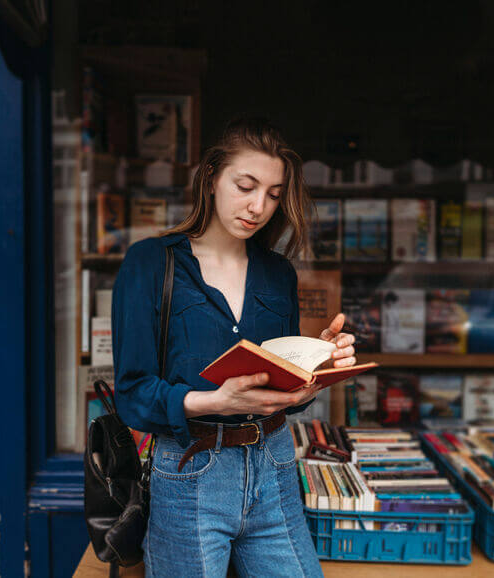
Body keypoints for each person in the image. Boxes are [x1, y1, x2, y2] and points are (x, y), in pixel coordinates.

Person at [111, 117, 356, 577]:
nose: (258, 206)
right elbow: (133, 393)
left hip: (275, 463)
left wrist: (315, 367)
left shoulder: (277, 273)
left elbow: (280, 390)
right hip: (190, 470)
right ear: (211, 178)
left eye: (274, 194)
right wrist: (214, 400)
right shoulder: (152, 263)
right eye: (246, 186)